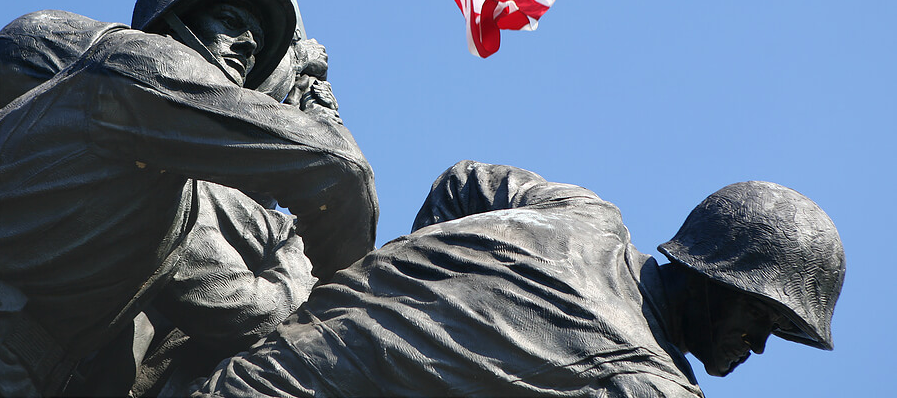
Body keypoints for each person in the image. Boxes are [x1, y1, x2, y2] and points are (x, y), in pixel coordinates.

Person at [0, 0, 378, 396]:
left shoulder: (177, 209)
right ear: (171, 22)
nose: (246, 46)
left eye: (256, 44)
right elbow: (340, 167)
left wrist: (295, 248)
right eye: (229, 20)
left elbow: (257, 318)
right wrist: (347, 289)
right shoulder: (135, 64)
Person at [194, 161, 845, 398]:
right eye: (760, 317)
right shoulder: (648, 384)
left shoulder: (584, 214)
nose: (758, 345)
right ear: (710, 274)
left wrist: (408, 282)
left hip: (243, 368)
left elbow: (459, 183)